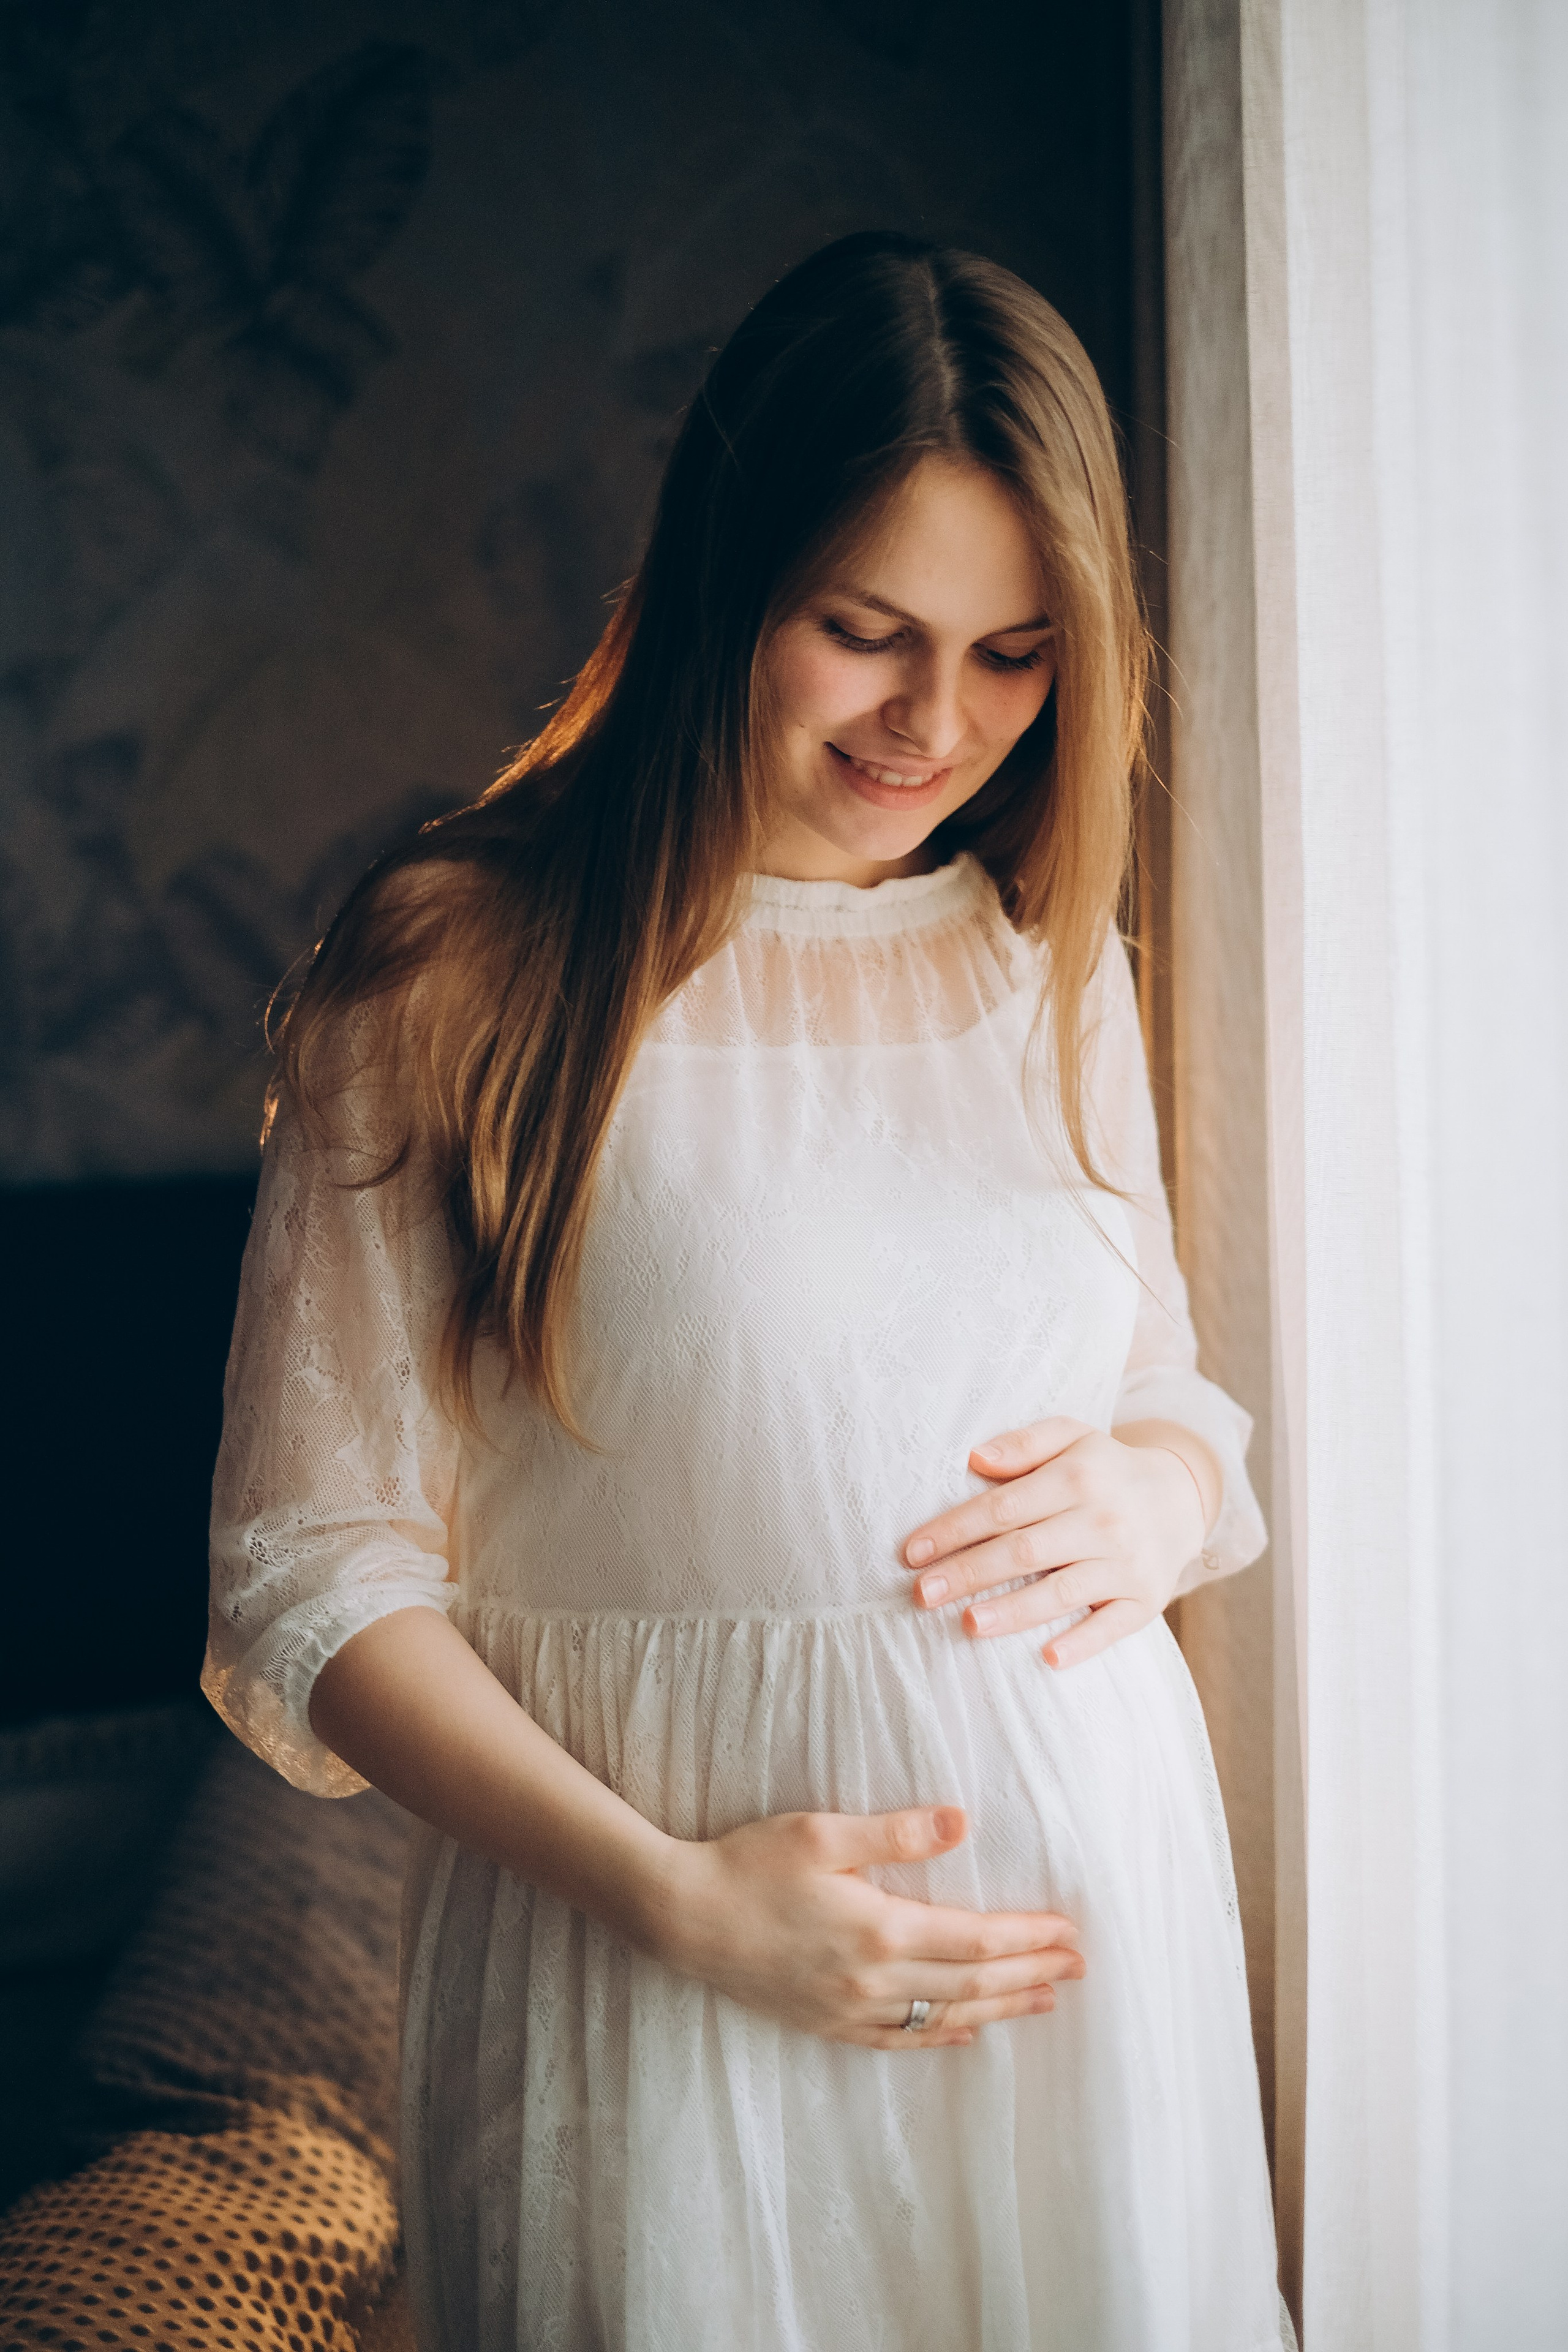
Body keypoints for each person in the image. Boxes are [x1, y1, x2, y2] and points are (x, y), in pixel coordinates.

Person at [204, 232, 1288, 2350]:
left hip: (1089, 1962)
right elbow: (310, 1578)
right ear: (726, 581)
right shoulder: (450, 969)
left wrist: (1162, 1492)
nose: (934, 724)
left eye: (1014, 655)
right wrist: (684, 1905)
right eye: (865, 633)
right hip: (659, 1977)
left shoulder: (1044, 966)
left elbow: (1165, 1387)